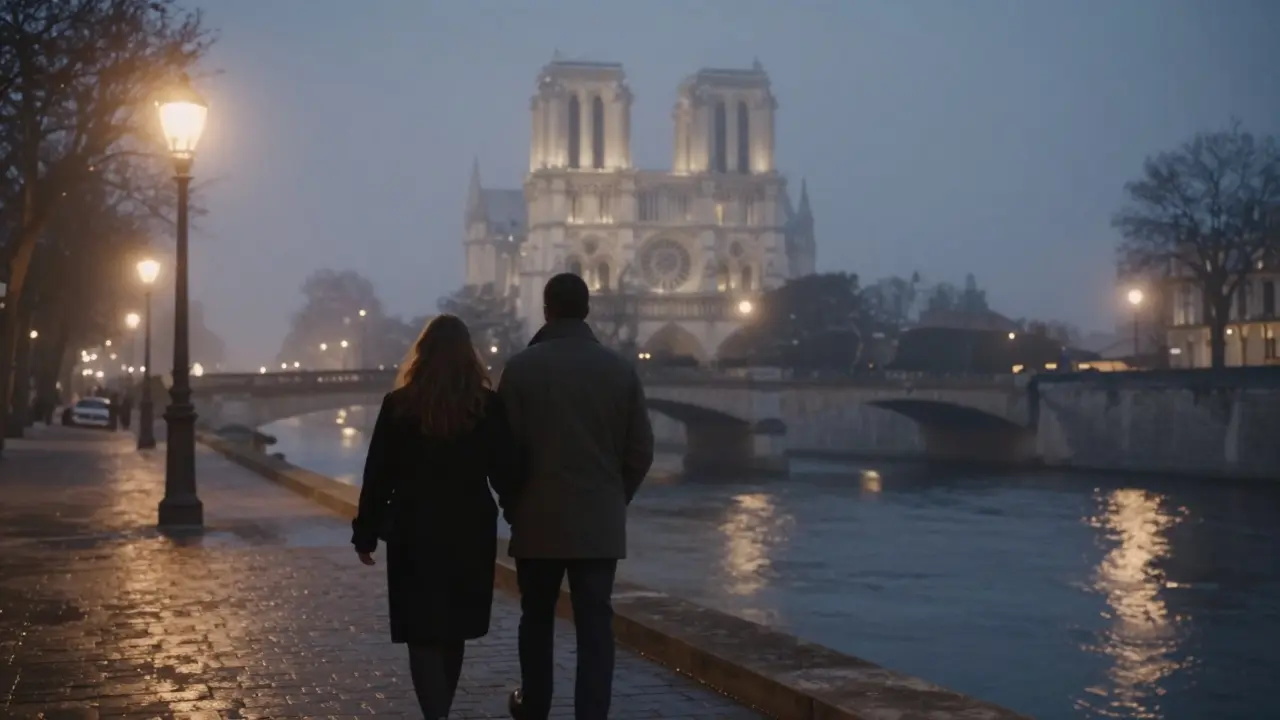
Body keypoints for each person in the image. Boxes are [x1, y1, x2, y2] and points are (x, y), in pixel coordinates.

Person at [500, 273, 655, 720]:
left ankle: (535, 704)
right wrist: (612, 498)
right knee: (595, 626)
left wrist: (515, 503)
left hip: (537, 517)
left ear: (546, 310)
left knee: (536, 618)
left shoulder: (521, 368)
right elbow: (641, 451)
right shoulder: (620, 369)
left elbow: (502, 451)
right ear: (587, 310)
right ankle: (592, 713)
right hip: (598, 521)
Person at [351, 314, 517, 719]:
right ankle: (440, 712)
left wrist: (366, 533)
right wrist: (519, 517)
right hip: (469, 530)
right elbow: (506, 473)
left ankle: (435, 716)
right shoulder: (485, 406)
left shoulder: (399, 406)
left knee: (422, 631)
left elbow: (378, 476)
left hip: (414, 529)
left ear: (421, 355)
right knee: (454, 627)